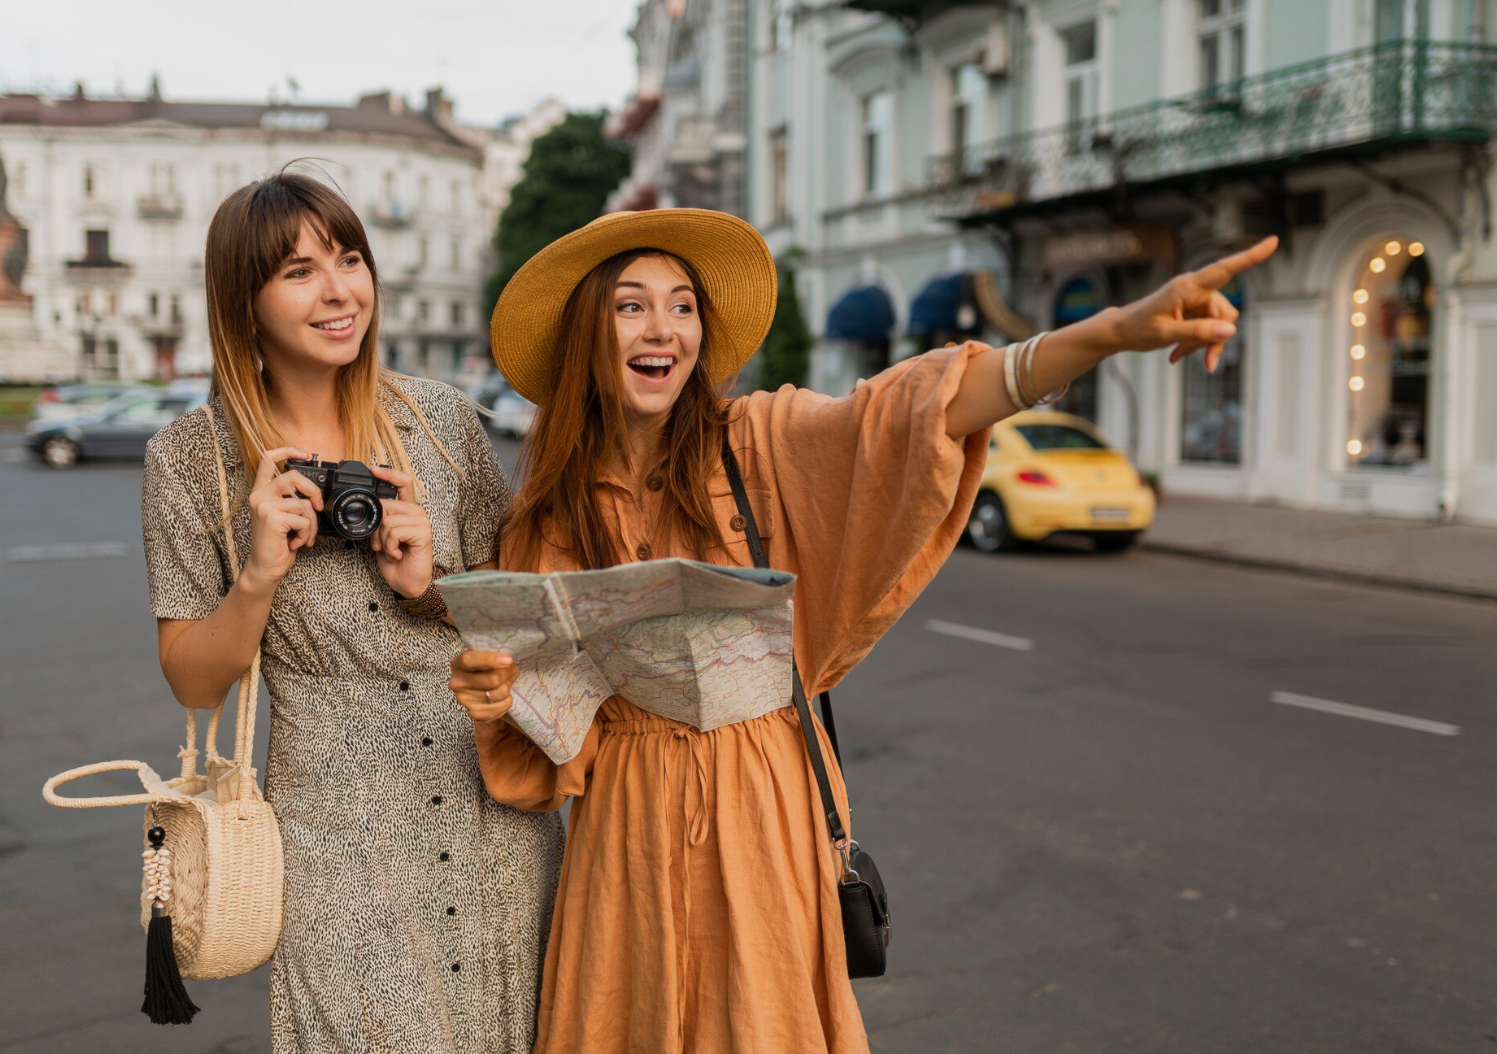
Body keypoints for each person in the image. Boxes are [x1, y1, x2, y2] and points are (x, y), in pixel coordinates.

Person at [450, 208, 1276, 1054]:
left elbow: (924, 407)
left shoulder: (759, 440)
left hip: (761, 804)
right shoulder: (544, 517)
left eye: (682, 305)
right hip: (622, 829)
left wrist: (1113, 330)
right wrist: (499, 696)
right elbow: (552, 749)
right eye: (630, 306)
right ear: (590, 330)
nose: (662, 327)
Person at [142, 170, 561, 1053]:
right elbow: (191, 679)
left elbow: (527, 624)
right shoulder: (191, 460)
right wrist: (257, 575)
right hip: (338, 842)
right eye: (299, 271)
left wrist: (434, 583)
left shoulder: (442, 422)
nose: (340, 290)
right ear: (243, 301)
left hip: (497, 808)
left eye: (350, 259)